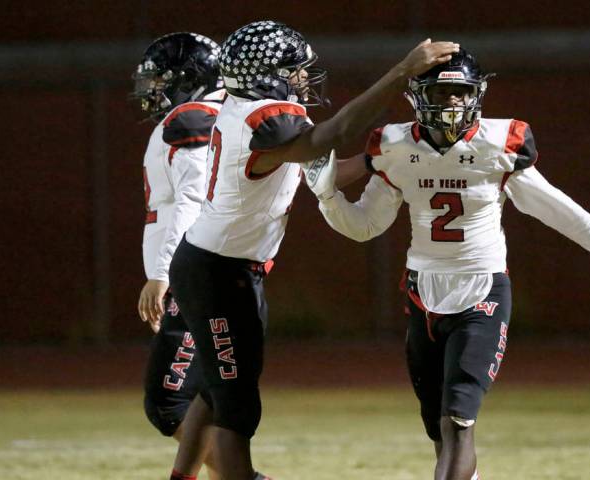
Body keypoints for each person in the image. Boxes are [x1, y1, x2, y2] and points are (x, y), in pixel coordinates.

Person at [311, 48, 590, 480]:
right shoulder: (396, 146)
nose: (452, 102)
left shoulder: (496, 145)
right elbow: (365, 226)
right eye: (441, 91)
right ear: (418, 97)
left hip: (481, 293)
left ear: (477, 95)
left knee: (458, 421)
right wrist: (327, 197)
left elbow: (556, 208)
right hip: (423, 292)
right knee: (439, 429)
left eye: (461, 93)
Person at [166, 19, 459, 480]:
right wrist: (403, 70)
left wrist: (384, 159)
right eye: (294, 68)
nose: (304, 77)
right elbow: (336, 132)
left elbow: (324, 170)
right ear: (267, 73)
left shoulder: (254, 116)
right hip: (216, 272)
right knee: (237, 404)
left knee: (216, 387)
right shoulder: (264, 119)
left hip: (228, 267)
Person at [132, 31, 234, 480]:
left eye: (161, 80)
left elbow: (191, 201)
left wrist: (160, 273)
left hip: (197, 275)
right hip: (204, 272)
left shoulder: (193, 118)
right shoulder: (201, 116)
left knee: (171, 401)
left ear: (188, 78)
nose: (153, 90)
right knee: (203, 398)